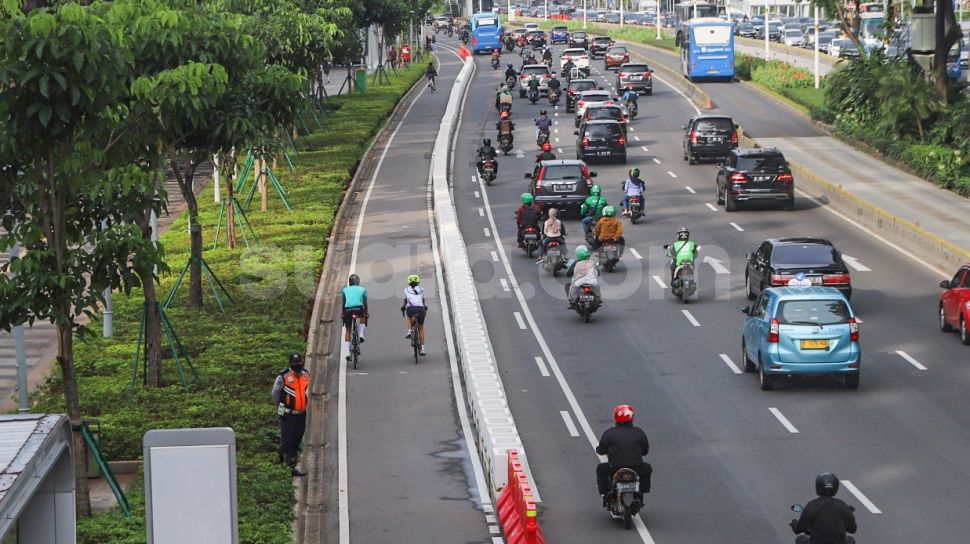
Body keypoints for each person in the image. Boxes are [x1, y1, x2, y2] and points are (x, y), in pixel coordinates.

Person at [595, 404, 652, 506]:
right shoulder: (639, 432)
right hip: (637, 468)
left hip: (615, 468)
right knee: (647, 468)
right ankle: (641, 491)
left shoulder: (609, 433)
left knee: (601, 469)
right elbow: (645, 451)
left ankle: (606, 493)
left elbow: (600, 450)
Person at [271, 353, 311, 476]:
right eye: (294, 363)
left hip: (301, 414)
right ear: (290, 364)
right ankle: (289, 466)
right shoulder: (283, 377)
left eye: (299, 362)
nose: (297, 365)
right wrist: (280, 408)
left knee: (297, 439)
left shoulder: (306, 375)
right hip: (288, 414)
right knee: (288, 439)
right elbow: (275, 394)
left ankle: (285, 459)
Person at [791, 473, 857, 544]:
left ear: (818, 487)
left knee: (800, 539)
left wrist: (794, 523)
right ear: (836, 487)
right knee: (850, 539)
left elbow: (798, 530)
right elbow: (852, 530)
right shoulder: (842, 505)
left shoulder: (812, 505)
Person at [341, 274, 368, 361]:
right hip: (358, 309)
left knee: (348, 330)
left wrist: (342, 314)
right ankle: (360, 334)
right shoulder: (363, 289)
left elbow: (343, 304)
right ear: (358, 282)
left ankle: (348, 353)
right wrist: (366, 313)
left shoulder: (344, 290)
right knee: (363, 316)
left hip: (348, 310)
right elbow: (365, 304)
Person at [401, 274, 428, 356]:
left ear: (409, 283)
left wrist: (403, 307)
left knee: (407, 313)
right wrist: (424, 308)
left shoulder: (406, 290)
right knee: (421, 328)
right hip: (420, 309)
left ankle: (409, 331)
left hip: (411, 309)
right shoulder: (422, 290)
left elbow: (405, 301)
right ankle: (422, 348)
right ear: (418, 282)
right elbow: (423, 301)